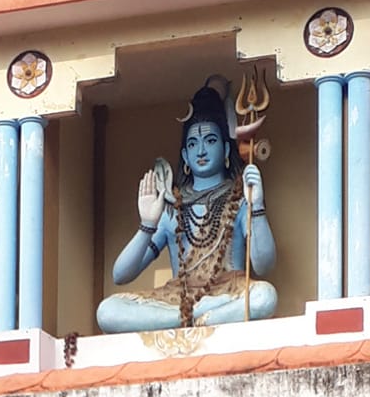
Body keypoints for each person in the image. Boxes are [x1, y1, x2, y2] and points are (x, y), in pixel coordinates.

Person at [96, 79, 276, 332]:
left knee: (265, 297)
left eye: (210, 140)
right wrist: (147, 224)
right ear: (184, 156)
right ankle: (193, 317)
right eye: (192, 144)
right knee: (107, 311)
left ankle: (201, 316)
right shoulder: (172, 208)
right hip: (178, 299)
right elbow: (120, 275)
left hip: (228, 293)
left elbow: (264, 264)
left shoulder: (239, 198)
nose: (201, 150)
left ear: (226, 149)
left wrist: (257, 207)